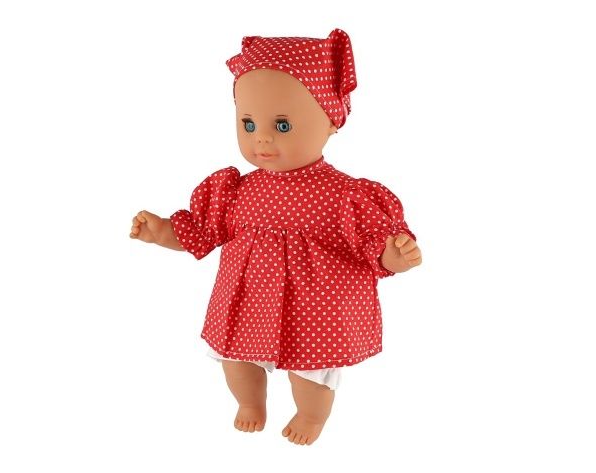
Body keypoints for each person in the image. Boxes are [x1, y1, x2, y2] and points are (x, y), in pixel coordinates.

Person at [129, 28, 422, 446]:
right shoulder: (235, 190)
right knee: (235, 360)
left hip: (316, 307)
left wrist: (396, 255)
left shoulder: (344, 195)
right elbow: (202, 230)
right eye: (248, 124)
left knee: (311, 374)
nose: (261, 137)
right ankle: (250, 404)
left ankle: (311, 416)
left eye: (282, 125)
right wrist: (161, 231)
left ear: (331, 121)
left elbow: (372, 244)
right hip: (248, 298)